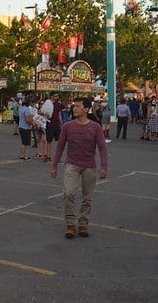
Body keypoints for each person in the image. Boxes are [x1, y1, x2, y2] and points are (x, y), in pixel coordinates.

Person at [51, 97, 108, 238]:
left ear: (86, 109)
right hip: (72, 164)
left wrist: (104, 167)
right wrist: (54, 166)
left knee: (87, 197)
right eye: (74, 106)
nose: (74, 108)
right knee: (69, 192)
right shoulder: (68, 126)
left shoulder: (95, 127)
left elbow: (102, 148)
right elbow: (59, 147)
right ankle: (70, 223)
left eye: (77, 106)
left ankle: (83, 223)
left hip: (89, 165)